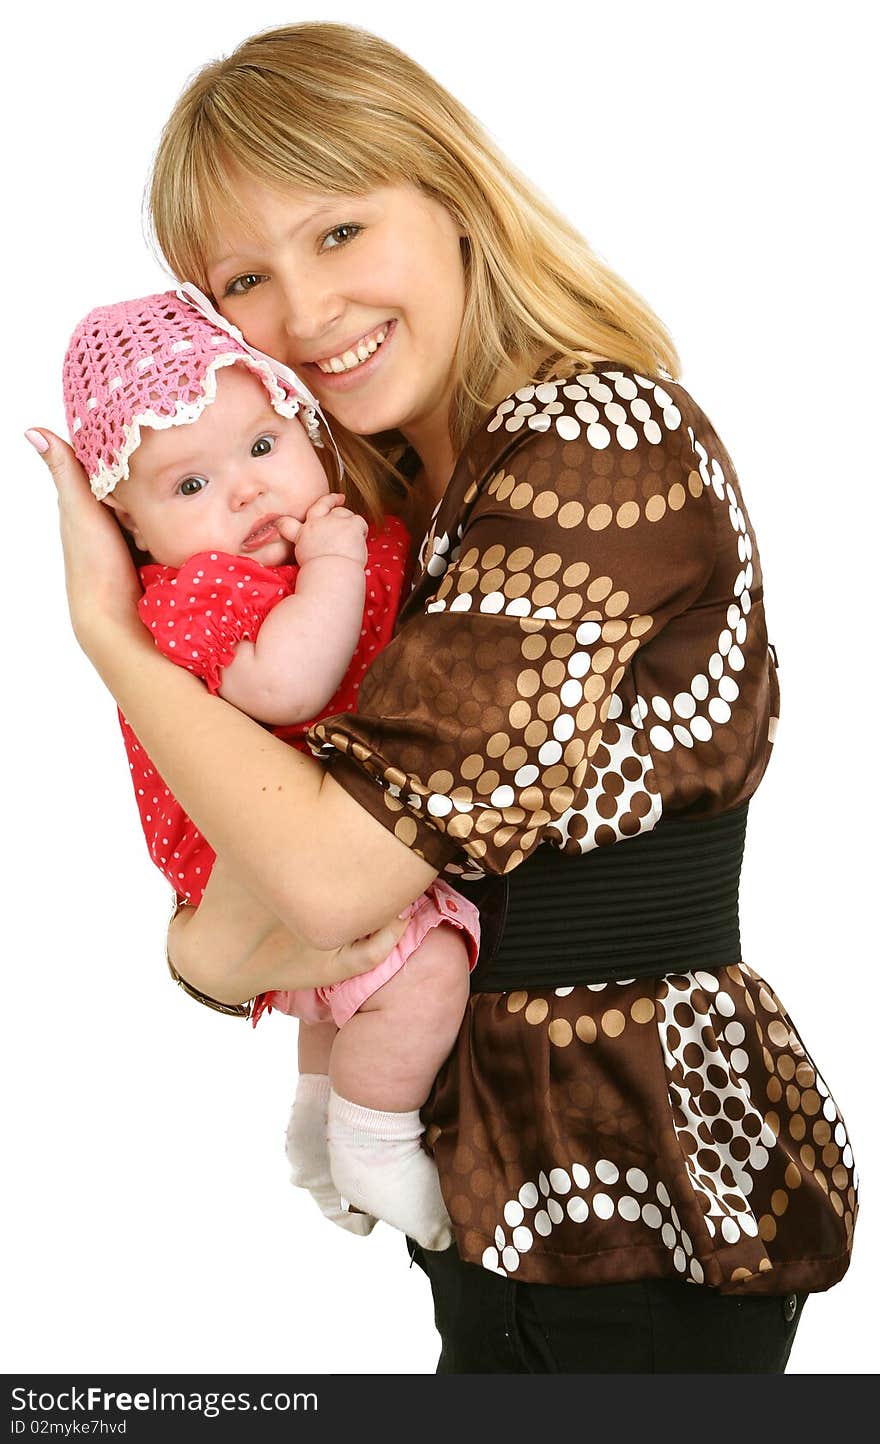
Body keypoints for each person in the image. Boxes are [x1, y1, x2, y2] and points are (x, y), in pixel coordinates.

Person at [29, 21, 858, 1373]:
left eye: (339, 233)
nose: (302, 313)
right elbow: (230, 930)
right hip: (501, 1175)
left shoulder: (595, 444)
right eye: (245, 277)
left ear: (454, 197)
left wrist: (110, 637)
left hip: (626, 1174)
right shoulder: (406, 512)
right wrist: (224, 943)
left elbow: (321, 892)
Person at [60, 286, 479, 1250]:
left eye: (261, 448)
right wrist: (334, 567)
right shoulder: (201, 594)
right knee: (429, 969)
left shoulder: (324, 534)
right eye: (190, 486)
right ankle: (372, 1136)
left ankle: (316, 1115)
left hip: (305, 849)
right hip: (259, 850)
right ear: (131, 532)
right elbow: (288, 687)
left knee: (356, 990)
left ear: (305, 430)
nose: (245, 491)